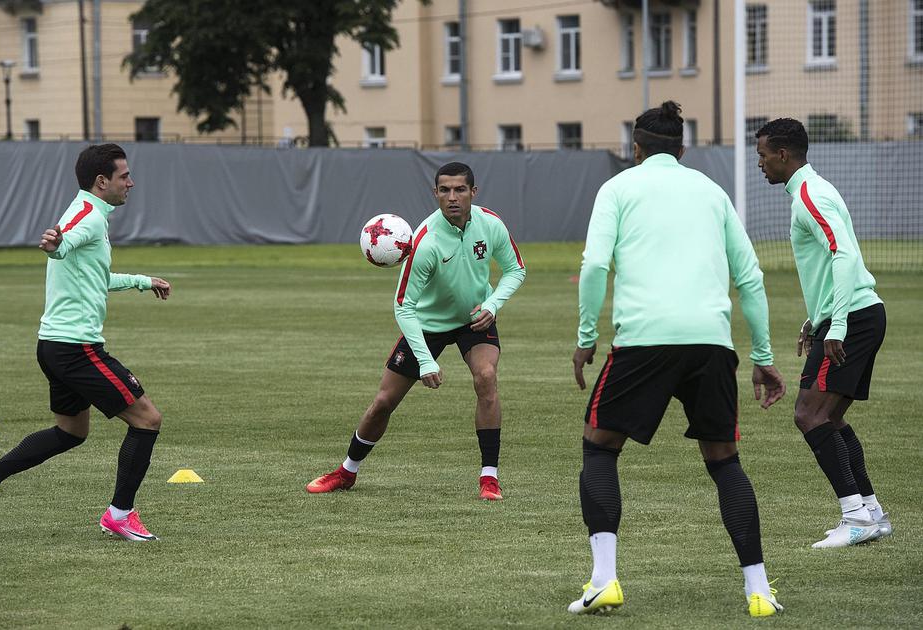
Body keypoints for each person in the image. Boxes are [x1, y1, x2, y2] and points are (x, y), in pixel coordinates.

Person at [569, 102, 786, 618]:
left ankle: (604, 580)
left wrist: (585, 337)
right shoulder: (712, 192)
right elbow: (750, 278)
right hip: (711, 343)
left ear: (636, 150)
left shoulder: (618, 188)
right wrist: (763, 355)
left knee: (599, 451)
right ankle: (758, 591)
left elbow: (596, 263)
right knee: (725, 463)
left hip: (644, 340)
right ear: (682, 150)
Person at [0, 143, 171, 542]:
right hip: (76, 350)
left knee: (71, 433)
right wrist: (55, 245)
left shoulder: (90, 213)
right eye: (124, 176)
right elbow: (63, 244)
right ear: (102, 181)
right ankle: (119, 514)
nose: (131, 182)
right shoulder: (87, 217)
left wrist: (144, 281)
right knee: (148, 419)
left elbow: (96, 278)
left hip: (54, 346)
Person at [306, 161, 526, 500]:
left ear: (473, 192)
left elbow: (515, 270)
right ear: (435, 193)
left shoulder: (491, 224)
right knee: (383, 402)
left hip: (474, 317)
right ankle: (346, 471)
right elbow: (403, 306)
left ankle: (489, 479)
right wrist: (425, 360)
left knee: (486, 377)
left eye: (460, 190)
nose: (452, 197)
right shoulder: (424, 241)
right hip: (427, 325)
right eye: (445, 190)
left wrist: (493, 304)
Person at [755, 118, 891, 548]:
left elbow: (845, 255)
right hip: (854, 315)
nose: (759, 164)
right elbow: (833, 263)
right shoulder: (812, 190)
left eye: (762, 155)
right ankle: (871, 512)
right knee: (829, 418)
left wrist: (837, 324)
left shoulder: (809, 196)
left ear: (782, 154)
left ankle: (855, 517)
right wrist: (817, 320)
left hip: (854, 319)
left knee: (808, 415)